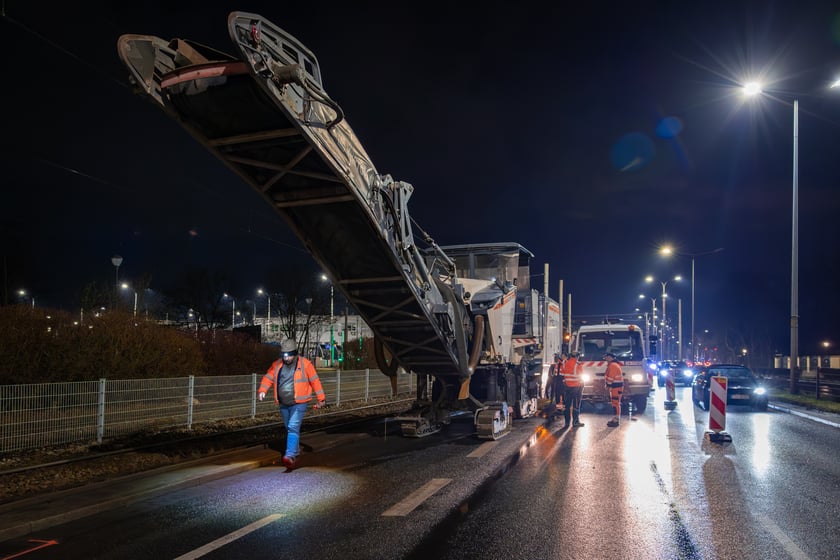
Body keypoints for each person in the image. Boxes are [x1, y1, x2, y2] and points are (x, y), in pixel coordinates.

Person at [259, 338, 326, 469]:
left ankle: (289, 456)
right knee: (289, 427)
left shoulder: (305, 364)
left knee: (293, 427)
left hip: (299, 403)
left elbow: (315, 381)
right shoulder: (277, 365)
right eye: (285, 355)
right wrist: (263, 390)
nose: (287, 358)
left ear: (295, 353)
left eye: (289, 355)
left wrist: (321, 398)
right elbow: (268, 377)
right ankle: (295, 452)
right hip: (283, 403)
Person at [560, 351, 584, 428]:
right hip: (577, 387)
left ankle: (567, 423)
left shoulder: (565, 363)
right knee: (576, 405)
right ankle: (575, 422)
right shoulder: (578, 365)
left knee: (567, 405)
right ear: (577, 357)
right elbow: (581, 376)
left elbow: (562, 375)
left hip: (567, 387)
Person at [604, 352, 623, 427]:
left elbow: (611, 377)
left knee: (616, 403)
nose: (605, 359)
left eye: (606, 357)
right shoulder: (613, 365)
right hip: (615, 387)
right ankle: (615, 419)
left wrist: (608, 384)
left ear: (610, 357)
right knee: (615, 403)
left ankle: (616, 420)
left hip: (616, 387)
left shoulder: (613, 366)